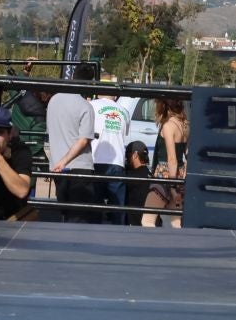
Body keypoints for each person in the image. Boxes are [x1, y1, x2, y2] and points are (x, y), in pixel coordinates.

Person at [43, 65, 99, 222]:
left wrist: (58, 162)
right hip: (80, 168)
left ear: (73, 76)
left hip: (57, 169)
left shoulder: (53, 100)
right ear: (90, 82)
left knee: (65, 214)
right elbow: (83, 140)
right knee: (79, 219)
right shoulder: (85, 106)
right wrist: (64, 161)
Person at [142, 96, 190, 228]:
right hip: (179, 175)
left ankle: (151, 248)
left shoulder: (168, 126)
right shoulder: (185, 124)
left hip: (164, 176)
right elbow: (188, 155)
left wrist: (172, 187)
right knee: (176, 223)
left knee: (147, 221)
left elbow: (171, 158)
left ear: (163, 105)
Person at [89, 84, 132, 225]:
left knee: (95, 206)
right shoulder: (124, 111)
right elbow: (124, 134)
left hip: (96, 160)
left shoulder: (91, 106)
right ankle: (118, 238)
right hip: (117, 162)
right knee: (118, 208)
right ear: (114, 95)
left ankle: (92, 237)